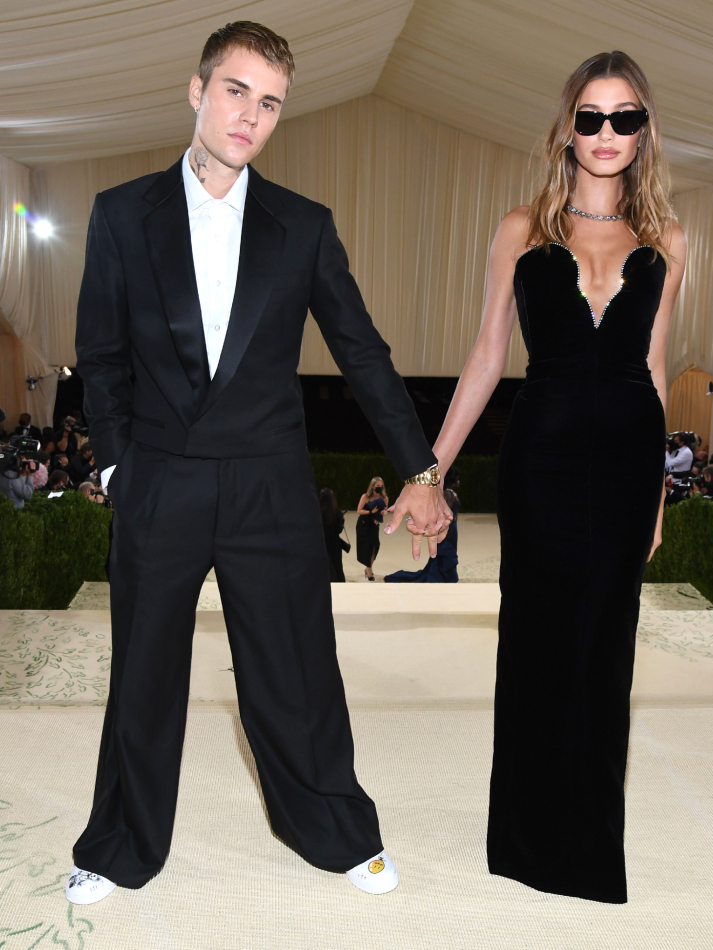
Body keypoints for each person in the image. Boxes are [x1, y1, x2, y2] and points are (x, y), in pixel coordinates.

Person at [67, 21, 450, 907]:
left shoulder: (302, 226)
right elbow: (103, 356)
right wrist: (122, 471)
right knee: (144, 672)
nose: (250, 115)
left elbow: (362, 353)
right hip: (160, 477)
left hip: (270, 482)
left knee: (296, 667)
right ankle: (121, 845)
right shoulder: (123, 212)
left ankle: (337, 830)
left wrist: (420, 468)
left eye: (270, 102)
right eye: (236, 91)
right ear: (197, 91)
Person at [425, 51, 685, 904]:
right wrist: (431, 466)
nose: (607, 134)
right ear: (565, 127)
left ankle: (587, 849)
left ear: (644, 131)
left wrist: (654, 497)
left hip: (623, 472)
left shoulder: (668, 240)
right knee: (536, 647)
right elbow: (487, 357)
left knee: (605, 653)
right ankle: (529, 839)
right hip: (540, 462)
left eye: (625, 118)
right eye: (591, 117)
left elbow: (654, 366)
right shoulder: (519, 229)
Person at [385, 466, 461, 583]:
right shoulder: (450, 494)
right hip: (449, 528)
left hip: (449, 527)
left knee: (443, 548)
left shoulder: (448, 493)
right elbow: (447, 514)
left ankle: (443, 572)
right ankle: (443, 573)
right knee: (444, 548)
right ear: (454, 481)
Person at [356, 477, 388, 580]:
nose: (379, 488)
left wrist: (384, 512)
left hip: (374, 525)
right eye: (377, 486)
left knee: (375, 546)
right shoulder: (365, 497)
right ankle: (369, 570)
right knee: (366, 547)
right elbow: (359, 511)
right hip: (364, 524)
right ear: (373, 486)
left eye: (381, 486)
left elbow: (385, 510)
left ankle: (368, 567)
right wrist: (371, 512)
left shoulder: (384, 498)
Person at [319, 487, 347, 582]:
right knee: (337, 566)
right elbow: (339, 530)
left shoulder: (318, 512)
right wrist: (342, 520)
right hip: (335, 543)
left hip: (321, 543)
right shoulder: (337, 512)